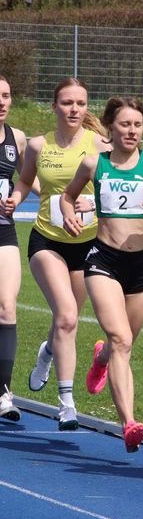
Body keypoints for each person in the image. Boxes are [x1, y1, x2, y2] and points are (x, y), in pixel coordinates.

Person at [61, 96, 143, 452]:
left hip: (141, 264)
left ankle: (101, 358)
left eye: (137, 125)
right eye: (125, 124)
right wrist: (70, 215)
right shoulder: (94, 163)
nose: (132, 131)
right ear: (111, 127)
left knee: (123, 343)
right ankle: (129, 423)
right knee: (122, 340)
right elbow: (68, 196)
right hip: (103, 260)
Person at [4, 77, 108, 430]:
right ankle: (67, 405)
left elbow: (116, 188)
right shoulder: (38, 145)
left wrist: (92, 203)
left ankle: (47, 352)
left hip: (88, 245)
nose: (74, 109)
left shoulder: (101, 145)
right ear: (54, 106)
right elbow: (24, 180)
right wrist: (16, 198)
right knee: (66, 316)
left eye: (80, 103)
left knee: (68, 321)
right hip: (47, 241)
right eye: (67, 103)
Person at [0, 76, 27, 421]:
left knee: (7, 307)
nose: (1, 101)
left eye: (5, 95)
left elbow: (28, 177)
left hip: (3, 230)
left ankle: (3, 393)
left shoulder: (16, 138)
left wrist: (17, 197)